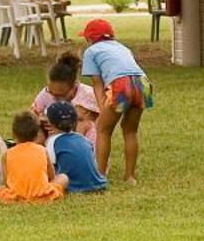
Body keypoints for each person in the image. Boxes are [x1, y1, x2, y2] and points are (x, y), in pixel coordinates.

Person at [79, 17, 152, 183]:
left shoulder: (91, 51)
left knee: (103, 130)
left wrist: (101, 108)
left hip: (121, 85)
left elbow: (98, 84)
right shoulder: (123, 47)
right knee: (130, 130)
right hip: (142, 84)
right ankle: (130, 177)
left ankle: (100, 176)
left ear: (89, 38)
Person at [0, 110, 68, 204]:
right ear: (37, 134)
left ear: (14, 134)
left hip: (16, 197)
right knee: (63, 177)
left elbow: (7, 183)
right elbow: (52, 177)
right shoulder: (42, 150)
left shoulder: (7, 154)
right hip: (43, 196)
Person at [31, 50, 101, 133]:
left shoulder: (88, 95)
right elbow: (32, 114)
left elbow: (100, 123)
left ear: (74, 85)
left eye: (60, 95)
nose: (54, 98)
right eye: (51, 92)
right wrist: (41, 120)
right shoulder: (46, 93)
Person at [44, 101, 106, 193]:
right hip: (98, 184)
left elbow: (50, 167)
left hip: (73, 187)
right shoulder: (83, 138)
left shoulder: (52, 142)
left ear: (49, 122)